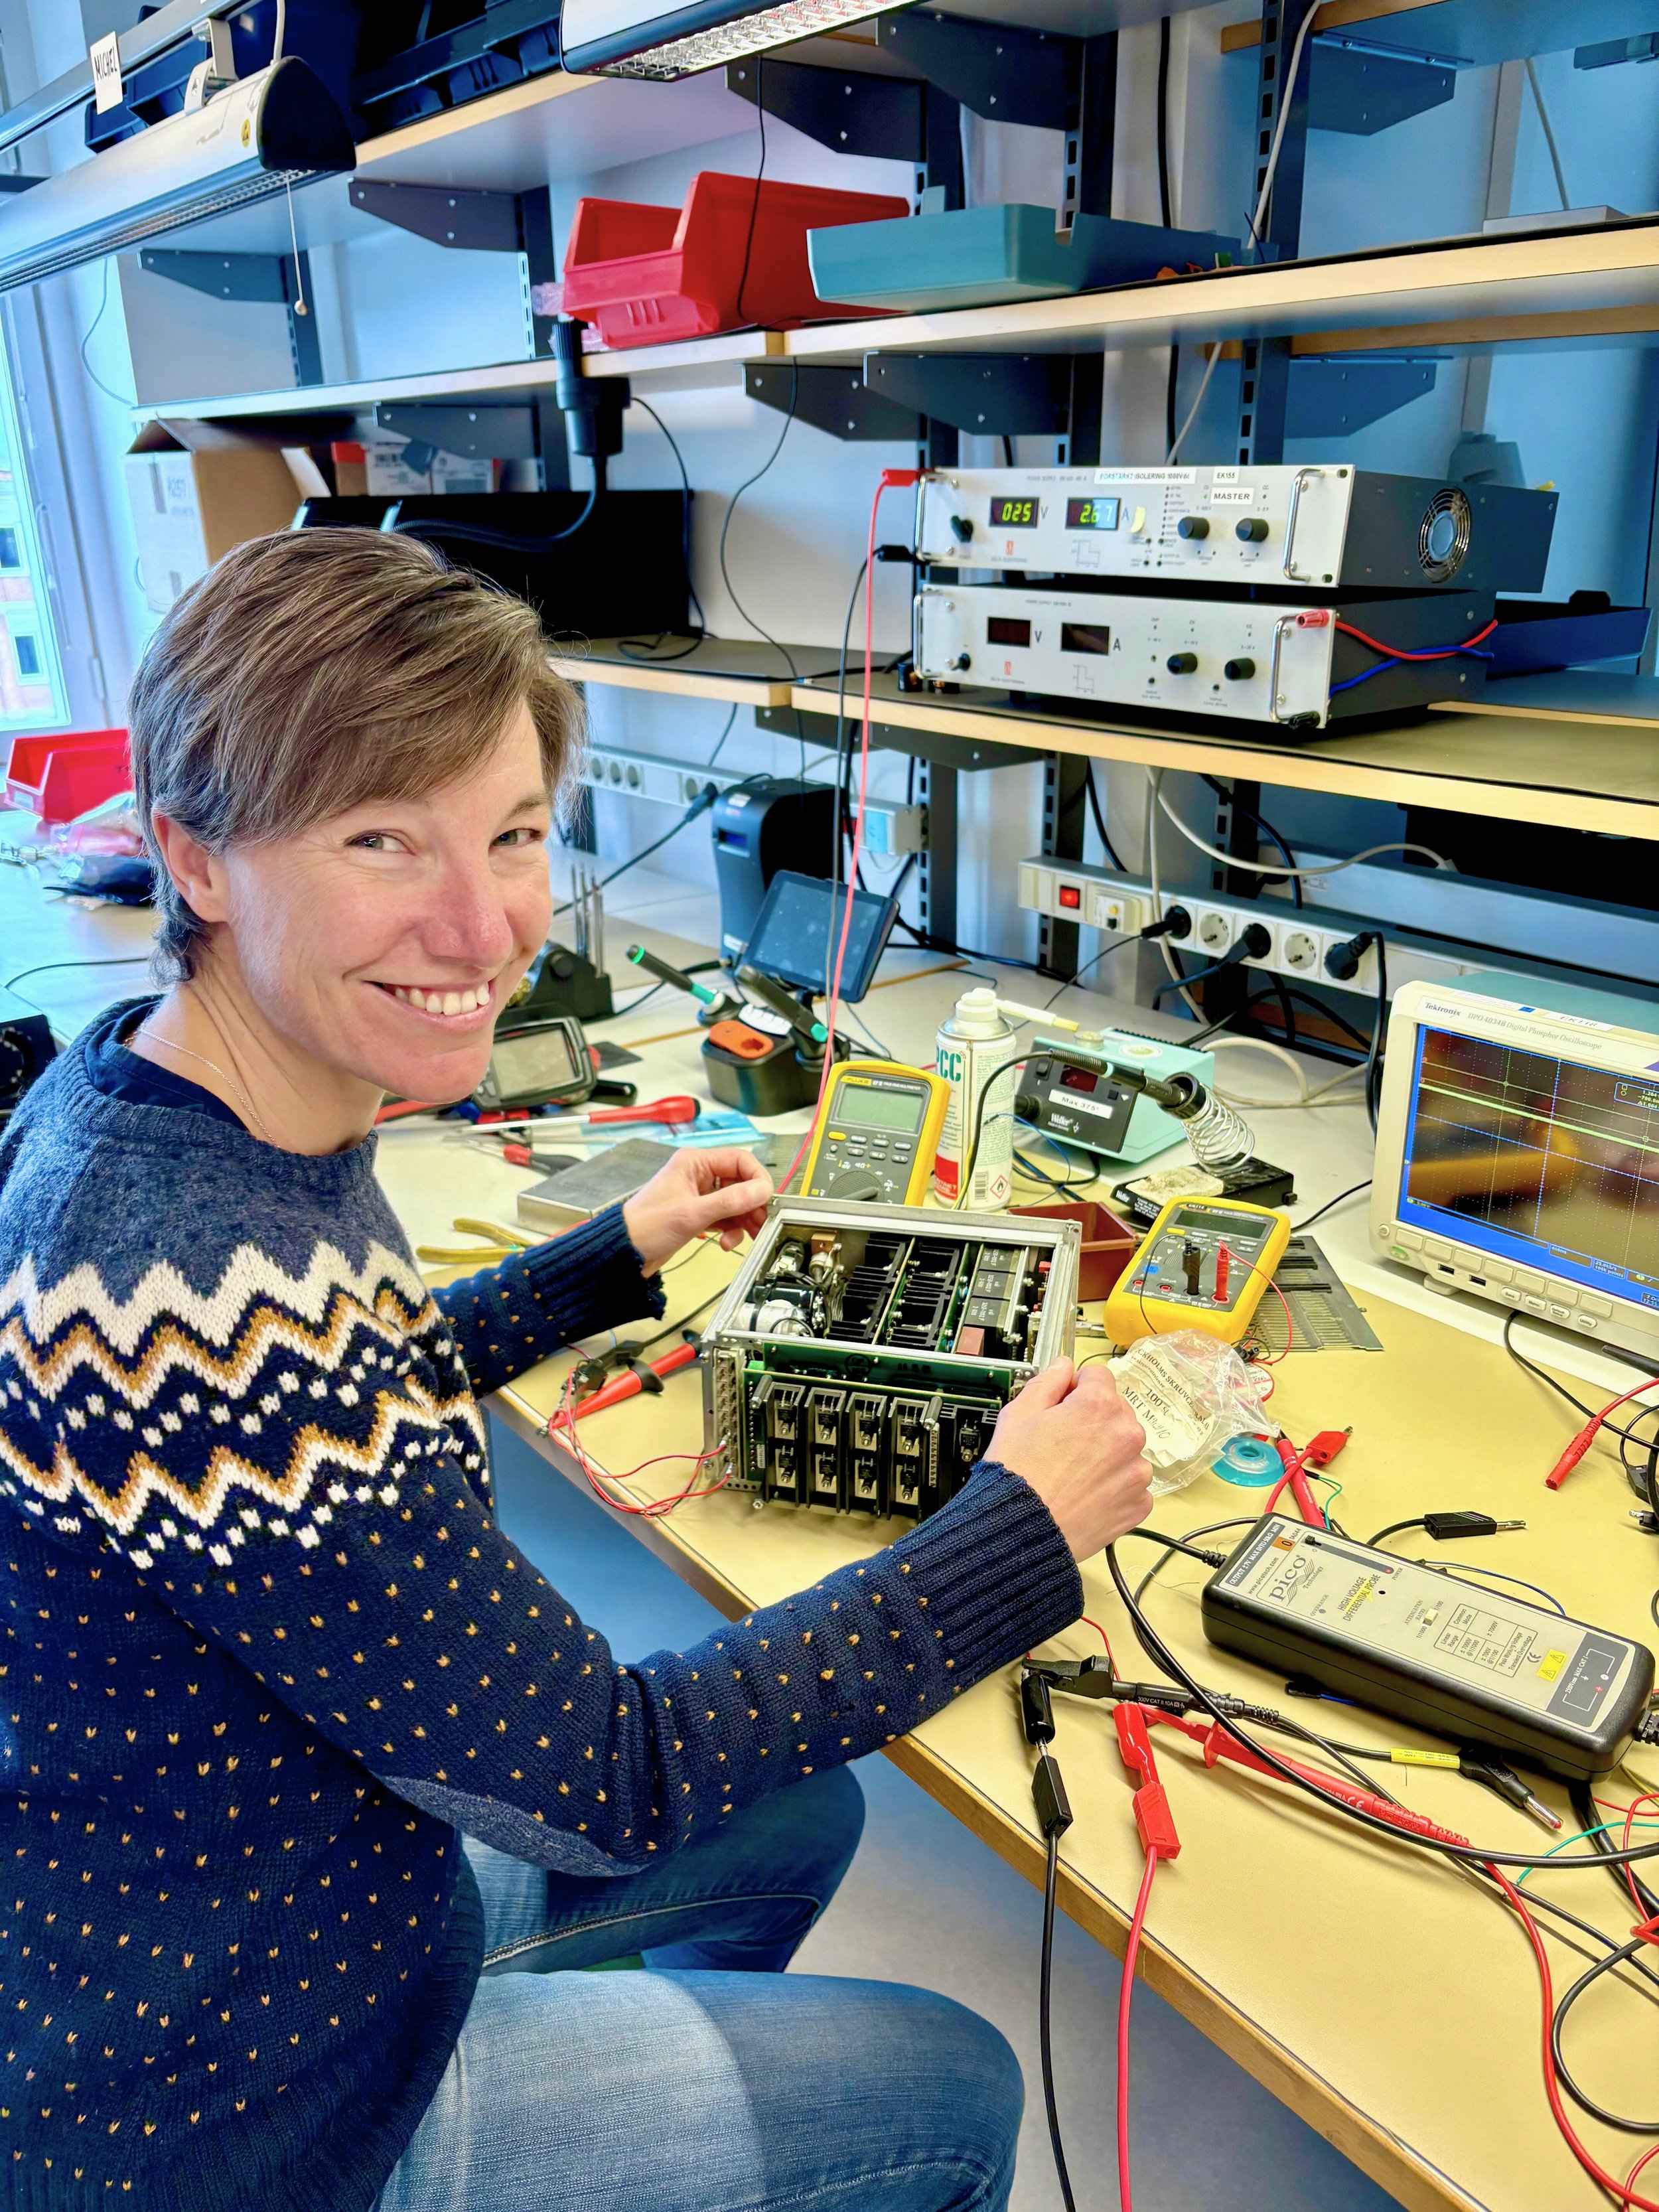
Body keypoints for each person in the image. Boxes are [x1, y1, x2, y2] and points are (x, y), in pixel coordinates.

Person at [0, 528, 1153, 2212]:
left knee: (805, 1814)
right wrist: (1016, 1536)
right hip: (241, 2106)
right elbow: (612, 1773)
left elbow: (316, 1401)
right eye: (379, 838)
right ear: (192, 856)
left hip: (267, 1883)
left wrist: (605, 1258)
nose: (485, 923)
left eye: (517, 832)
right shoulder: (191, 1273)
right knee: (951, 2087)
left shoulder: (152, 1099)